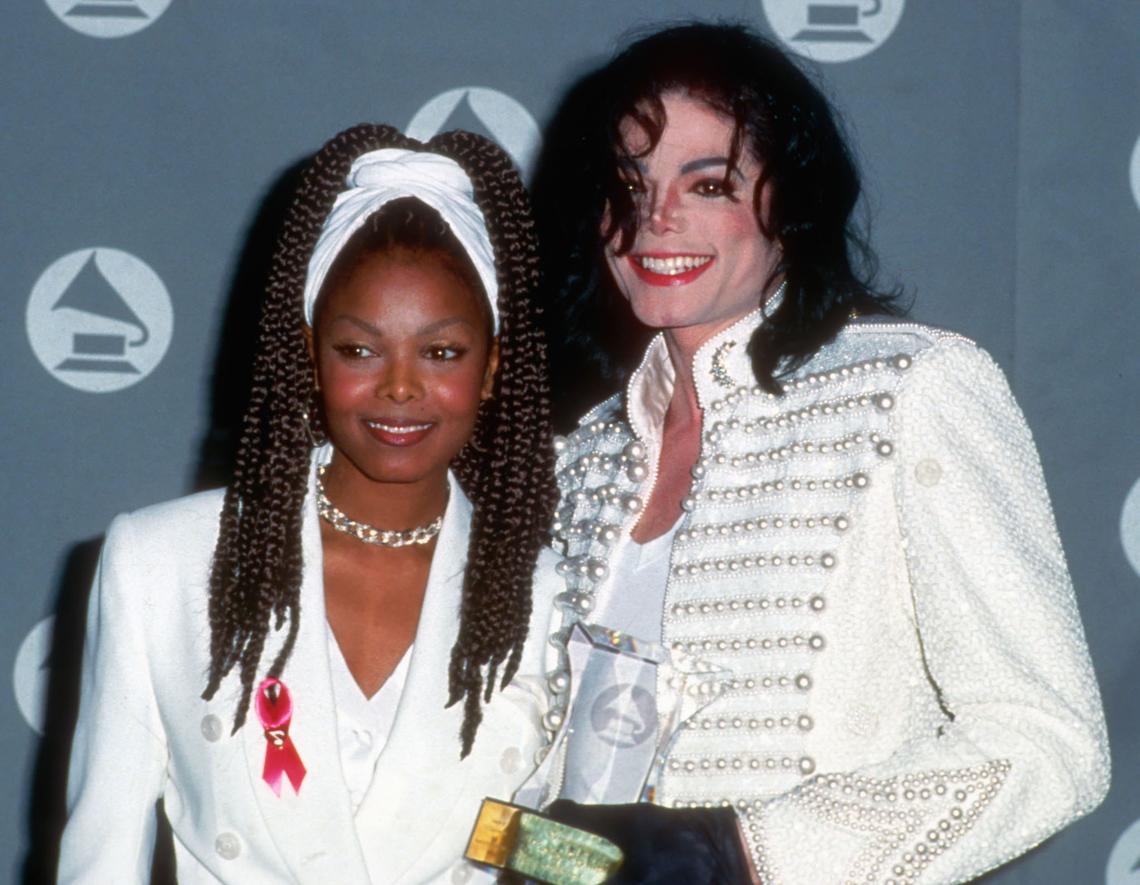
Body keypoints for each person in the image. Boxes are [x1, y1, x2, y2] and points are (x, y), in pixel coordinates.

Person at [534, 22, 1110, 883]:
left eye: (709, 184)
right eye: (629, 184)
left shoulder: (914, 388)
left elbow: (1051, 741)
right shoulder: (581, 457)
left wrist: (743, 854)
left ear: (791, 205)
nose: (656, 218)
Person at [58, 123, 558, 884]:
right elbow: (101, 859)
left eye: (442, 352)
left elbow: (549, 855)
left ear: (491, 368)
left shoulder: (545, 592)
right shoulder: (163, 563)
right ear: (308, 355)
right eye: (359, 349)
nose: (400, 386)